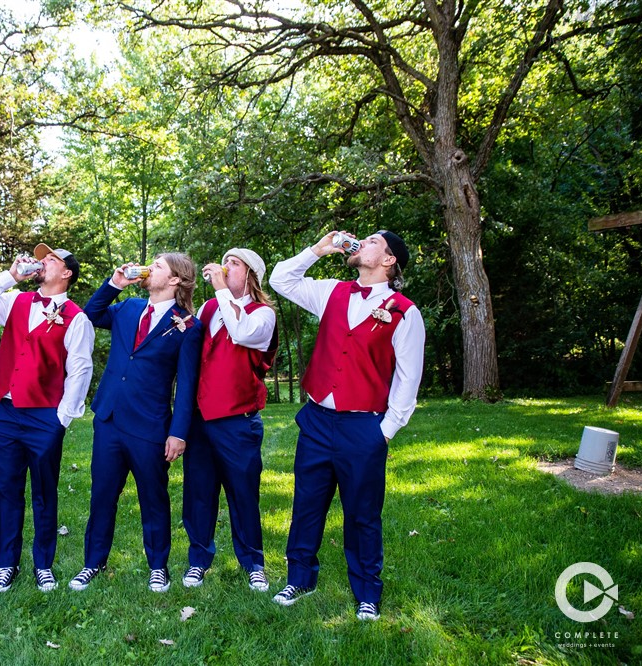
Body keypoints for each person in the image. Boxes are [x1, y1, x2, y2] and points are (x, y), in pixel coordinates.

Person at [268, 230, 425, 621]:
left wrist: (383, 432)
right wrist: (319, 249)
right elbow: (280, 280)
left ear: (389, 260)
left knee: (362, 514)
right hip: (317, 422)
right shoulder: (332, 292)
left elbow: (408, 380)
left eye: (372, 241)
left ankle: (367, 592)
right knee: (306, 506)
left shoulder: (405, 311)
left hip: (364, 428)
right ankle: (300, 578)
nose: (361, 243)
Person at [0, 244, 94, 595]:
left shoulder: (77, 317)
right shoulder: (17, 301)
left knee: (44, 493)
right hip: (5, 413)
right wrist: (11, 276)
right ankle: (7, 565)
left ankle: (43, 565)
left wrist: (61, 420)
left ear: (66, 273)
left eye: (51, 259)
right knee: (5, 490)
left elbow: (80, 370)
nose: (43, 261)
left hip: (44, 417)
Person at [68, 254, 203, 593]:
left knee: (153, 498)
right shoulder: (127, 308)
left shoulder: (187, 324)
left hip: (150, 425)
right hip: (110, 418)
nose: (149, 268)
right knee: (102, 495)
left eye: (157, 266)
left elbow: (186, 385)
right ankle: (92, 563)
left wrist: (178, 433)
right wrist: (115, 284)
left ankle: (158, 566)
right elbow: (91, 313)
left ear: (174, 280)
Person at [182, 248, 278, 591]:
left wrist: (221, 288)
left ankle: (253, 562)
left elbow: (241, 332)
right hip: (201, 417)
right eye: (225, 262)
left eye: (234, 263)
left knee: (243, 494)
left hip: (239, 419)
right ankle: (198, 560)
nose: (225, 267)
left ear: (250, 273)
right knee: (199, 493)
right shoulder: (209, 308)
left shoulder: (264, 314)